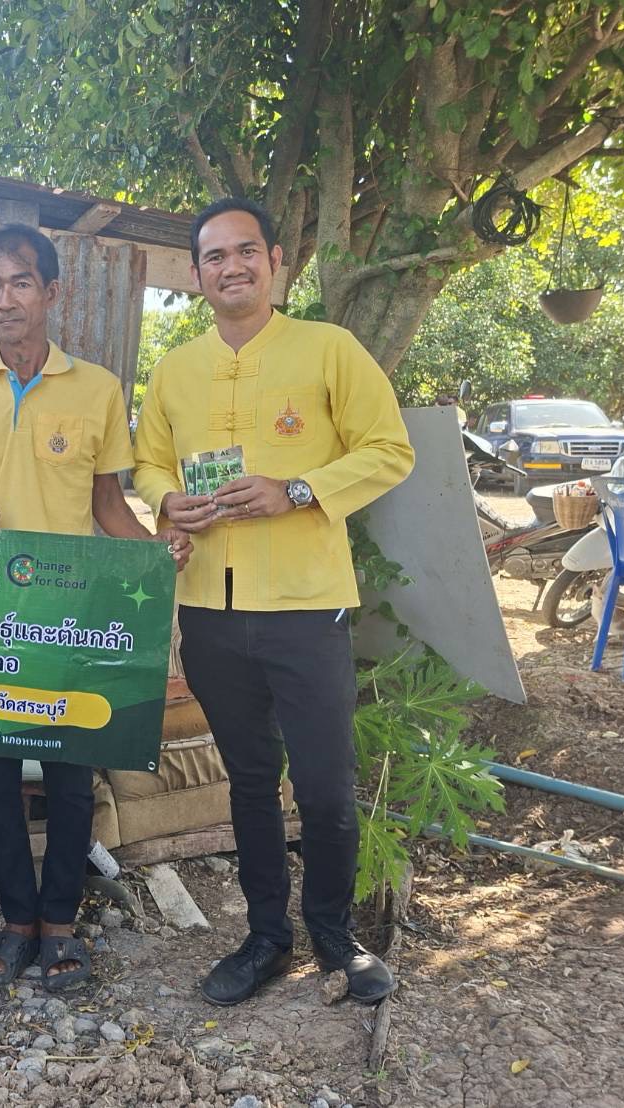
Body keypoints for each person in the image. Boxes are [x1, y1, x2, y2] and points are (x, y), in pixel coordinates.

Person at [133, 197, 415, 1007]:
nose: (232, 267)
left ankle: (334, 937)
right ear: (195, 275)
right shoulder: (175, 370)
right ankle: (265, 937)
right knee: (250, 782)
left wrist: (296, 488)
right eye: (214, 256)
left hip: (305, 605)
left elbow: (388, 450)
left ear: (275, 260)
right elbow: (149, 465)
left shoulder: (327, 349)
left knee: (325, 785)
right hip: (212, 613)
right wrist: (167, 503)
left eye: (245, 251)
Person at [0, 223, 191, 991]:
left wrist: (149, 552)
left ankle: (62, 923)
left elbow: (107, 500)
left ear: (50, 292)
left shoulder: (97, 389)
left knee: (71, 781)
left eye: (20, 282)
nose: (5, 299)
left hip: (69, 616)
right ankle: (15, 920)